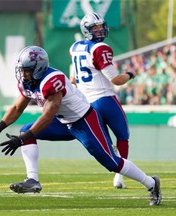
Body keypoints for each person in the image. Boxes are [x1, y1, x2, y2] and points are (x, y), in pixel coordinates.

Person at [0, 46, 161, 206]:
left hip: (84, 121)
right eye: (22, 70)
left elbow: (48, 115)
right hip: (63, 121)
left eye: (27, 70)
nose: (23, 74)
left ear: (39, 68)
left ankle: (151, 183)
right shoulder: (29, 82)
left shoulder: (53, 80)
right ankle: (33, 180)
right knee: (26, 130)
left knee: (112, 163)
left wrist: (21, 140)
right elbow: (18, 107)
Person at [69, 12, 138, 189]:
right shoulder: (100, 49)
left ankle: (117, 173)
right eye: (95, 28)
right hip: (105, 100)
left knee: (105, 142)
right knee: (123, 136)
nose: (100, 30)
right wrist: (131, 74)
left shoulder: (75, 47)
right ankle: (119, 177)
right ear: (87, 30)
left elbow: (73, 79)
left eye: (101, 27)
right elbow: (116, 80)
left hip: (86, 103)